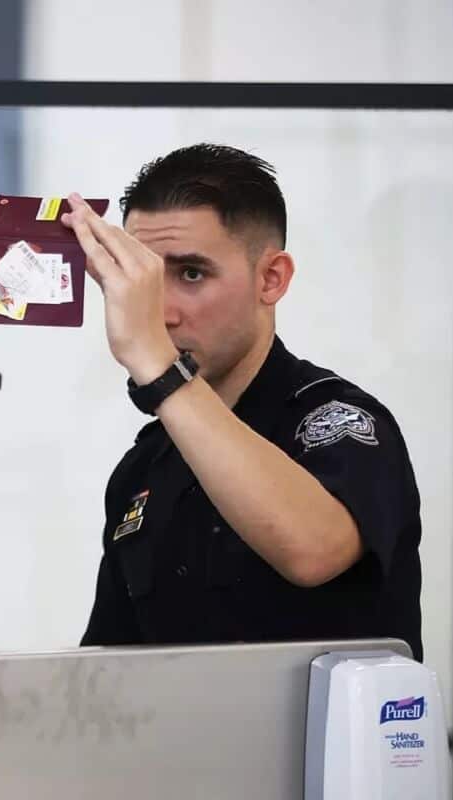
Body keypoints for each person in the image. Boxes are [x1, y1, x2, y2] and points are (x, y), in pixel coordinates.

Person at [62, 144, 422, 660]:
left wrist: (162, 373)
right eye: (142, 279)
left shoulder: (339, 422)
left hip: (323, 743)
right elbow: (105, 683)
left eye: (190, 274)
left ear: (270, 279)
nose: (159, 311)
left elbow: (311, 549)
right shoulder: (144, 467)